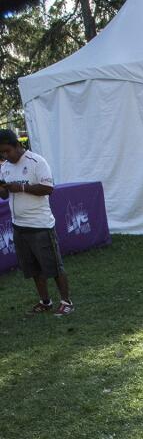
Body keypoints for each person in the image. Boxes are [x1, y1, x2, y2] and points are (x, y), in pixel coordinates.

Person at [0, 129, 74, 315]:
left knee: (54, 267)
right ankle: (45, 301)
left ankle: (66, 302)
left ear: (17, 145)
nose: (5, 155)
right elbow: (5, 194)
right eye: (2, 153)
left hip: (40, 225)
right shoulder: (5, 167)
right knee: (33, 268)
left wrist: (22, 187)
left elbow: (48, 188)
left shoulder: (36, 162)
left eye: (7, 151)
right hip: (19, 225)